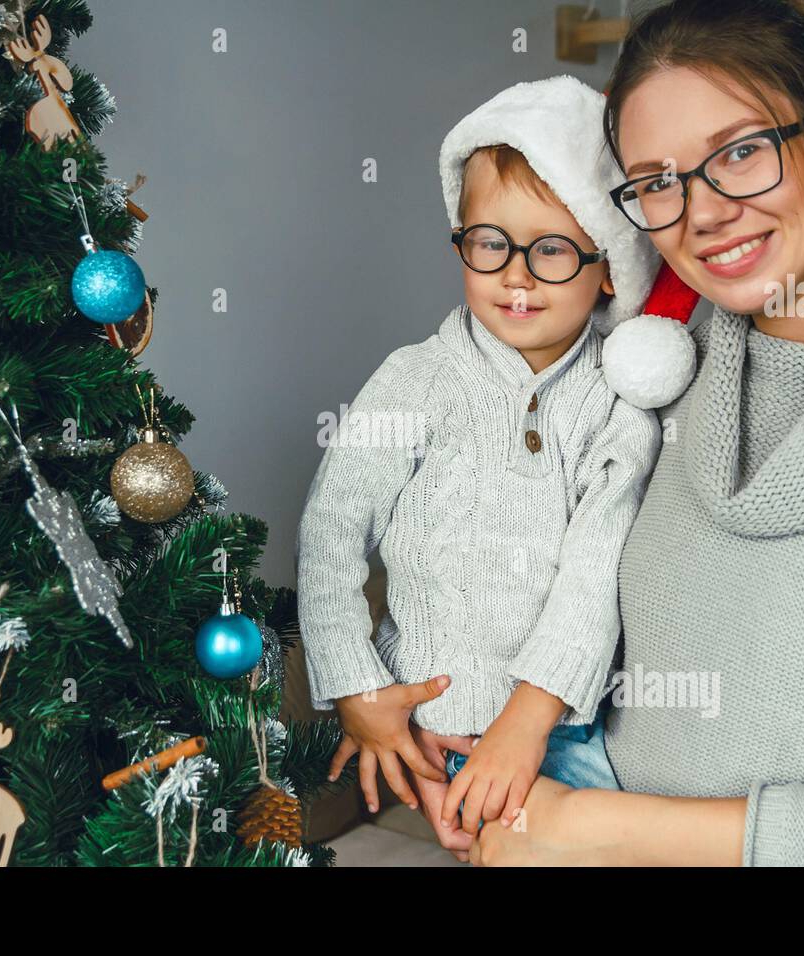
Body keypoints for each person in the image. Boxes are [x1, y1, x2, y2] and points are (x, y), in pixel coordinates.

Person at [470, 0, 804, 866]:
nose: (703, 211)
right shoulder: (639, 374)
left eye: (738, 152)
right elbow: (503, 589)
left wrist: (584, 829)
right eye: (657, 181)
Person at [295, 75, 695, 859]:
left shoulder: (618, 406)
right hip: (424, 721)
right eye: (489, 243)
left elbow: (594, 572)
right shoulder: (414, 377)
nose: (515, 275)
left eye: (549, 250)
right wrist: (357, 687)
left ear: (608, 265)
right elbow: (333, 525)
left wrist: (526, 720)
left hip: (561, 731)